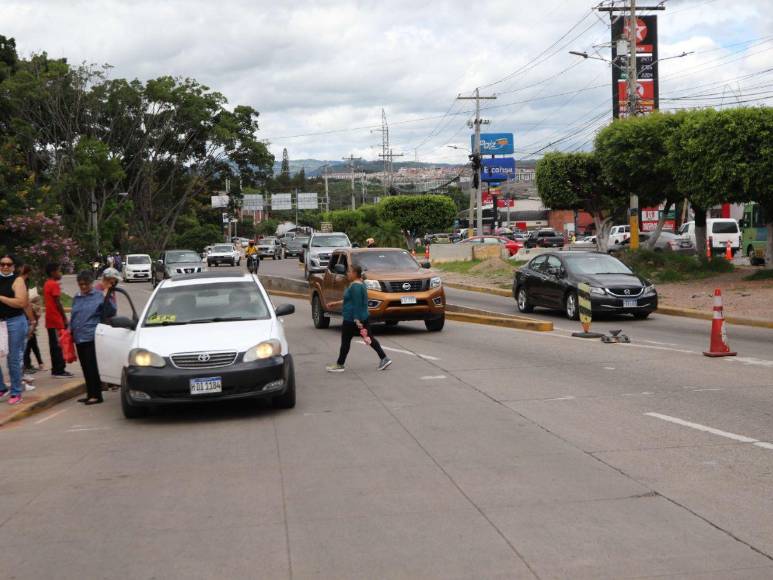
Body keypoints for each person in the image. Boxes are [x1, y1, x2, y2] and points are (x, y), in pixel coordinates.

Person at [326, 265, 391, 373]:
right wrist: (335, 303)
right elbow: (351, 300)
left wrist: (356, 320)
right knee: (369, 338)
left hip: (352, 319)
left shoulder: (356, 286)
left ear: (355, 273)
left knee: (346, 342)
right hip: (361, 317)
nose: (347, 273)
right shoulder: (360, 284)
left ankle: (340, 364)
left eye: (349, 271)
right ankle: (384, 358)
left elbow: (357, 304)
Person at [70, 271, 116, 405]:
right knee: (85, 366)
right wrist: (70, 330)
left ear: (91, 283)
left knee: (92, 367)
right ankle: (90, 393)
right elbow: (74, 315)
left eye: (86, 284)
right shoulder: (77, 297)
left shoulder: (99, 296)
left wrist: (107, 296)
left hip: (92, 336)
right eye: (81, 284)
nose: (83, 287)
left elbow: (112, 311)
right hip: (79, 337)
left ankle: (97, 395)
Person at [0, 253, 30, 405]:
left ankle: (16, 392)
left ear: (13, 267)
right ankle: (1, 387)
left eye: (8, 264)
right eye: (2, 264)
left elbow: (21, 302)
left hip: (14, 322)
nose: (5, 266)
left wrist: (1, 298)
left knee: (13, 358)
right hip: (0, 323)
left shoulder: (17, 280)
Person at [43, 263, 73, 379]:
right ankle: (59, 370)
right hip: (56, 319)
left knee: (53, 345)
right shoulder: (54, 284)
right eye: (59, 271)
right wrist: (64, 318)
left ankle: (56, 369)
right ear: (53, 272)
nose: (60, 273)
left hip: (50, 319)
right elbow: (58, 303)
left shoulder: (47, 283)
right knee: (58, 346)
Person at [20, 265, 43, 376]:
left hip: (27, 318)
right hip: (23, 318)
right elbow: (24, 303)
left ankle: (30, 364)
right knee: (27, 343)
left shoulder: (25, 282)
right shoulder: (20, 283)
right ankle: (26, 366)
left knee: (30, 342)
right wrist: (33, 320)